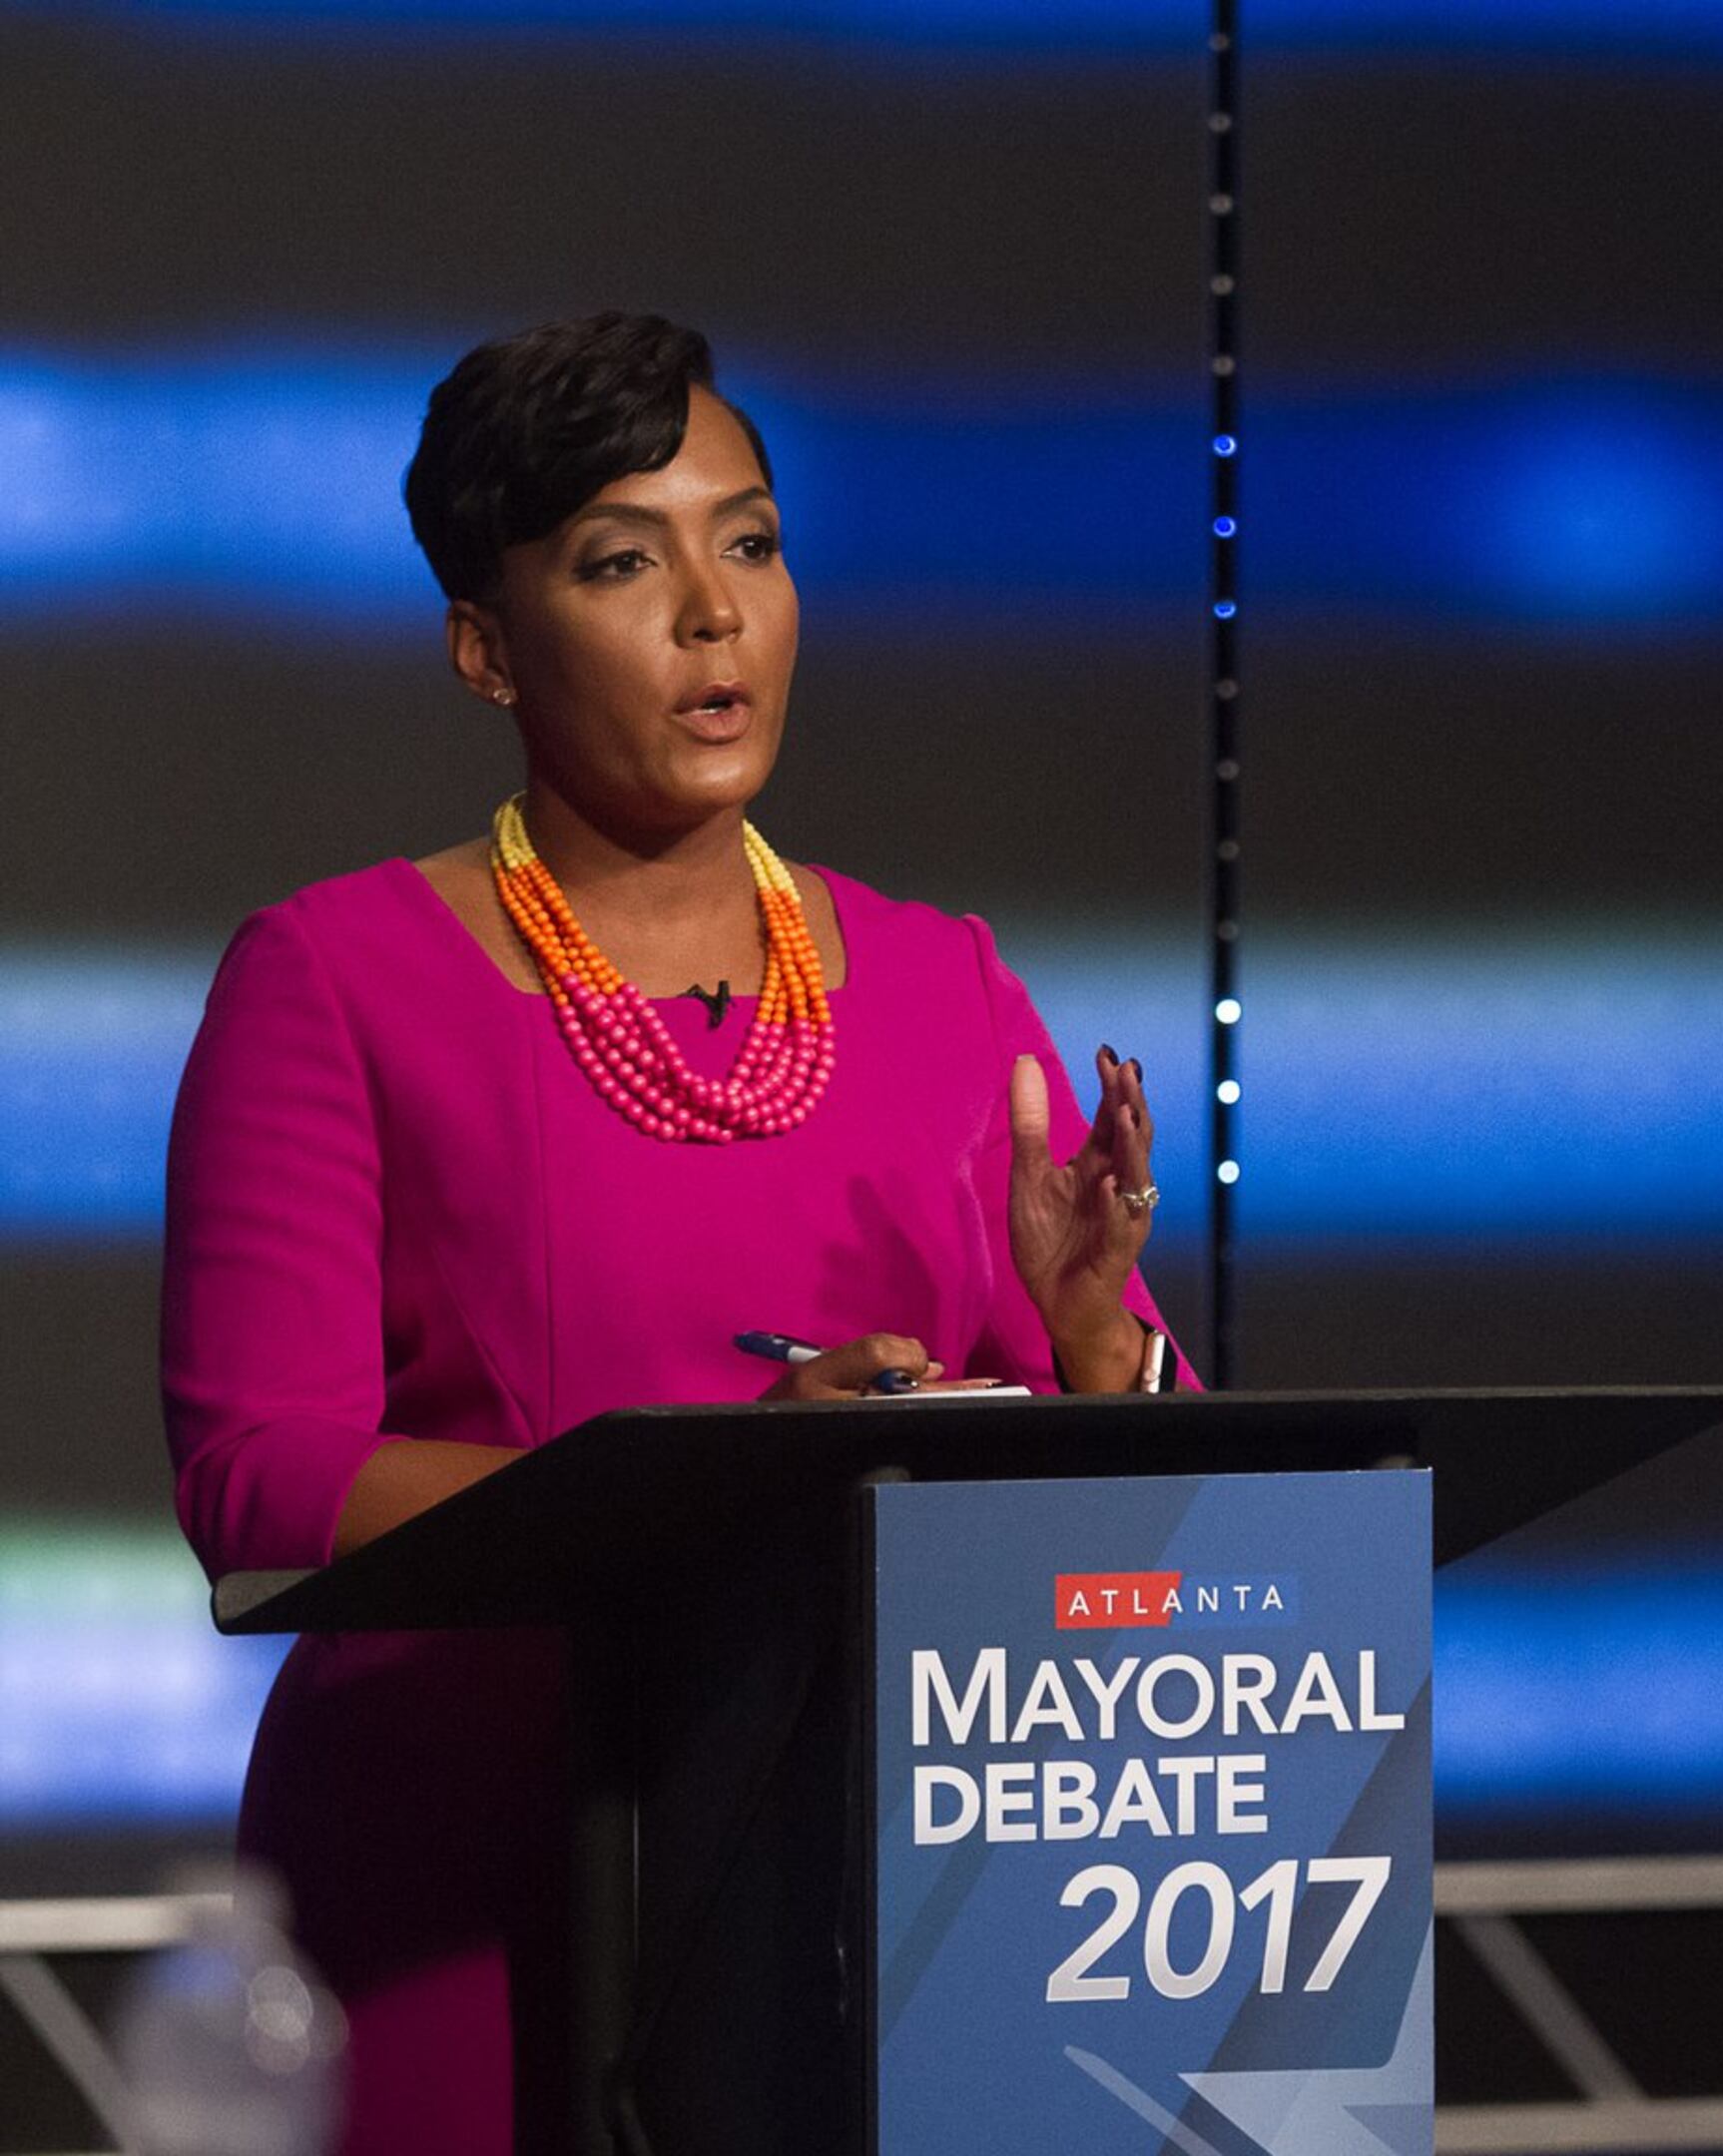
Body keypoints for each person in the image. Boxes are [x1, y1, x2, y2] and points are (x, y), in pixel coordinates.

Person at [159, 312, 1189, 2155]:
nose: (715, 614)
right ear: (488, 647)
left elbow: (1129, 1469)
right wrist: (708, 1497)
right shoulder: (334, 978)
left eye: (754, 541)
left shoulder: (946, 983)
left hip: (881, 1886)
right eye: (626, 562)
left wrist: (1100, 1341)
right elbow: (259, 1471)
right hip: (471, 1882)